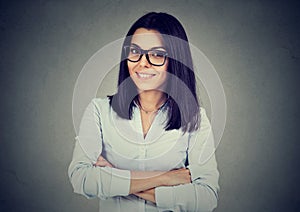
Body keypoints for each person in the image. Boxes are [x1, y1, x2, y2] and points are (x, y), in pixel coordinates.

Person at [68, 12, 219, 212]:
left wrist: (115, 177)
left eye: (157, 54)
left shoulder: (195, 118)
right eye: (134, 51)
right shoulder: (99, 111)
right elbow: (81, 178)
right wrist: (166, 178)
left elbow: (206, 198)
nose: (142, 62)